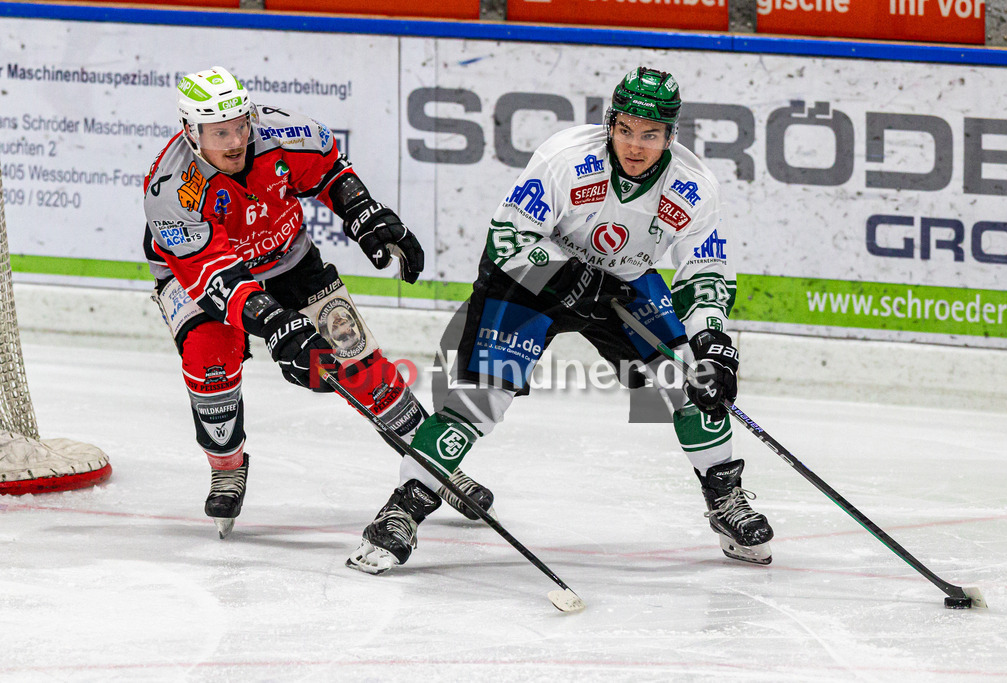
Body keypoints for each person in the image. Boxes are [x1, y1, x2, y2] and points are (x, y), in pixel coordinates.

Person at [347, 66, 774, 575]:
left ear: (670, 135)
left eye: (651, 134)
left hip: (623, 283)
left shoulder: (694, 187)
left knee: (691, 381)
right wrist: (566, 276)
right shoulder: (567, 158)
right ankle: (403, 510)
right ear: (611, 123)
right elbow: (508, 237)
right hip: (529, 284)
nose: (636, 145)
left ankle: (725, 500)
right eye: (626, 129)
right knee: (482, 398)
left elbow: (703, 271)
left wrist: (712, 341)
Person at [143, 66, 492, 537]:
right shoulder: (171, 190)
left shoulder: (284, 132)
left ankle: (433, 463)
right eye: (219, 132)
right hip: (197, 281)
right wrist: (277, 324)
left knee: (358, 360)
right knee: (211, 365)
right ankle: (226, 465)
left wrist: (364, 214)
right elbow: (212, 278)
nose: (235, 140)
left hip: (289, 259)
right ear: (191, 132)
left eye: (240, 125)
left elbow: (331, 171)